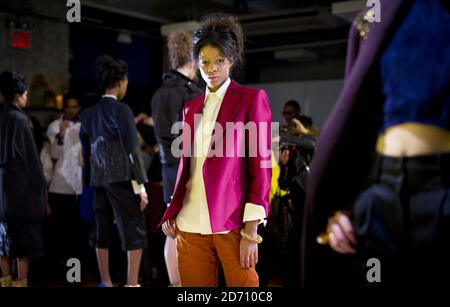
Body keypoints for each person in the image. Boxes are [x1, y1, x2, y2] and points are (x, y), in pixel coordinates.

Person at [303, 0, 450, 287]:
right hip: (379, 192)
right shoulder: (374, 16)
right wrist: (342, 206)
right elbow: (356, 125)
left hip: (441, 186)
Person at [160, 13, 272, 287]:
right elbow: (187, 166)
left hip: (232, 222)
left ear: (231, 61)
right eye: (204, 62)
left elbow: (262, 167)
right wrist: (172, 209)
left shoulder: (252, 99)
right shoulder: (191, 107)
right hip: (189, 221)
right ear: (196, 63)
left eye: (219, 61)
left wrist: (251, 230)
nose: (211, 69)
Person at [136, 31, 203, 286]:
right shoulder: (192, 93)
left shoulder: (159, 93)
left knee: (172, 233)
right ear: (193, 60)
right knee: (193, 234)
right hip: (190, 172)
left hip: (168, 171)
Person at [79, 55, 149, 287]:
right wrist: (141, 186)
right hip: (122, 178)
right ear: (120, 81)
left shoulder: (87, 114)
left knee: (102, 229)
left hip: (97, 180)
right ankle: (131, 283)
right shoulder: (122, 110)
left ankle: (105, 282)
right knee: (133, 228)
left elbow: (86, 155)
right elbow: (131, 150)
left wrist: (87, 186)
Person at [0, 71, 46, 287]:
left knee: (3, 241)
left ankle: (6, 281)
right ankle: (21, 282)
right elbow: (31, 160)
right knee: (23, 243)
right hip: (21, 191)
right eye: (26, 93)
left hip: (2, 190)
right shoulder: (19, 119)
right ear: (18, 95)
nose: (27, 97)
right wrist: (41, 188)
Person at [46, 95, 84, 275]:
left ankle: (73, 274)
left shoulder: (82, 127)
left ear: (79, 108)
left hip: (78, 185)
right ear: (64, 108)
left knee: (74, 233)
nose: (71, 110)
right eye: (68, 107)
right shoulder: (54, 125)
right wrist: (60, 135)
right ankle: (58, 271)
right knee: (58, 232)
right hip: (60, 185)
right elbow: (52, 153)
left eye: (74, 107)